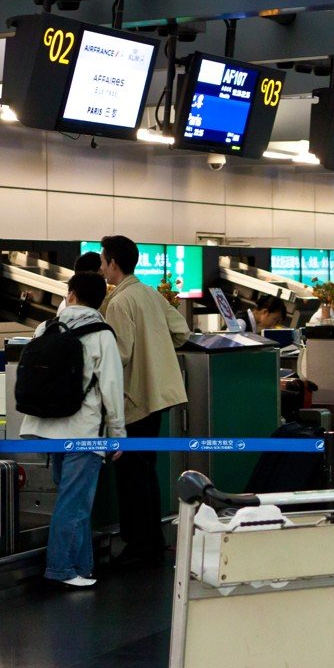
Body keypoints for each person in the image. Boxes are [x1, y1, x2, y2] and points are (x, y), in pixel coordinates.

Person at [19, 272, 126, 588]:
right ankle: (62, 569)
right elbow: (111, 387)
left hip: (43, 427)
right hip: (81, 430)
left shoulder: (46, 327)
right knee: (74, 503)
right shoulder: (102, 333)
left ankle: (81, 567)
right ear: (100, 300)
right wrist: (118, 435)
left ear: (71, 294)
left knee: (73, 501)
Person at [98, 235, 190, 567]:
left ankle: (138, 545)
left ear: (113, 263)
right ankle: (151, 540)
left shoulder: (120, 302)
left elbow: (120, 353)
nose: (101, 267)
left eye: (103, 260)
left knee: (132, 475)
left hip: (135, 397)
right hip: (160, 393)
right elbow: (181, 332)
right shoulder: (150, 293)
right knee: (146, 470)